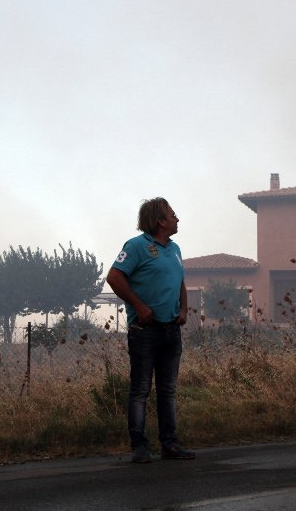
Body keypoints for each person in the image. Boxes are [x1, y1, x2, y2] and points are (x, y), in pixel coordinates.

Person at [106, 197, 195, 463]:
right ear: (160, 221)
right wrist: (139, 306)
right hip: (144, 331)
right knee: (141, 389)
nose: (177, 219)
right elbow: (114, 277)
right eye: (173, 214)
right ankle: (140, 447)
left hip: (171, 331)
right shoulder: (136, 247)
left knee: (167, 389)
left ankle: (169, 444)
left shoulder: (176, 249)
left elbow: (180, 281)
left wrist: (184, 310)